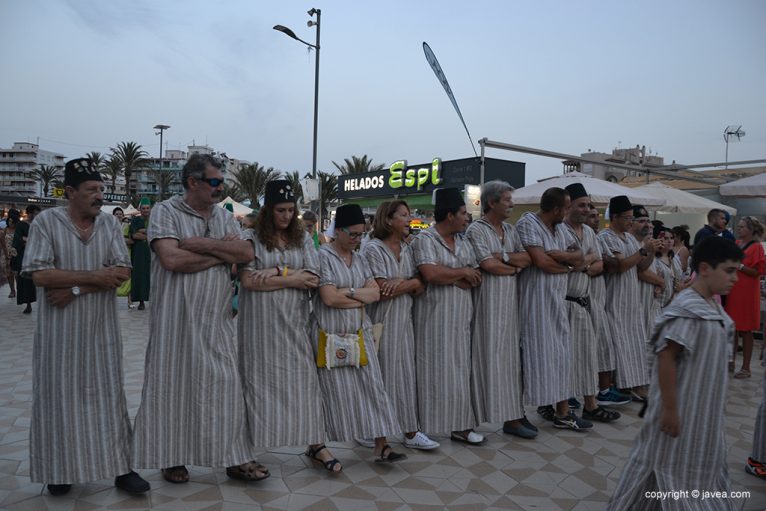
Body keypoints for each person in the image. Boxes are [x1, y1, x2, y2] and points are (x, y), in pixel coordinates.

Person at [21, 157, 150, 496]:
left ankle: (122, 469)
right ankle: (59, 469)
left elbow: (121, 272)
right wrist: (95, 276)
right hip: (58, 335)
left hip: (101, 332)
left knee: (109, 397)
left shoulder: (108, 225)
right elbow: (39, 274)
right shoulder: (46, 223)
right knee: (58, 398)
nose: (99, 195)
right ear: (71, 192)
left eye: (102, 189)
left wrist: (77, 286)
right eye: (92, 190)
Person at [132, 153, 263, 484]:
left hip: (217, 321)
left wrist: (203, 246)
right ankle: (171, 457)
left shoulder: (224, 217)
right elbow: (172, 259)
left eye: (221, 182)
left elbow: (247, 253)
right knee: (171, 389)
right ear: (193, 182)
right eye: (215, 182)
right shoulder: (165, 211)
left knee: (227, 387)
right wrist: (221, 254)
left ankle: (235, 458)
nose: (220, 189)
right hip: (173, 323)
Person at [606, 236, 743, 511]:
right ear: (704, 269)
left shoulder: (711, 306)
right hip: (681, 411)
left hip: (703, 411)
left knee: (683, 469)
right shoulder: (687, 309)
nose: (735, 279)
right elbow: (666, 357)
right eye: (729, 271)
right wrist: (669, 409)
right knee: (670, 471)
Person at [237, 180, 332, 471]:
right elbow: (249, 280)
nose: (287, 216)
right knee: (254, 387)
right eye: (281, 210)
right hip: (259, 328)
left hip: (295, 324)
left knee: (305, 384)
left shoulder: (302, 239)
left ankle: (316, 444)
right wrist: (293, 279)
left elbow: (315, 276)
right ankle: (245, 451)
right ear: (268, 210)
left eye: (291, 210)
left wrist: (279, 271)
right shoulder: (250, 238)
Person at [313, 203, 406, 463]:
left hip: (359, 332)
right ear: (338, 231)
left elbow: (375, 293)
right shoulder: (323, 256)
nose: (357, 239)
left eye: (360, 234)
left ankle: (382, 445)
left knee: (374, 386)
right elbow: (328, 298)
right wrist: (358, 295)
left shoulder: (361, 257)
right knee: (327, 391)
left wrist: (348, 292)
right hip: (330, 334)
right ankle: (317, 444)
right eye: (353, 234)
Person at [360, 200, 440, 450]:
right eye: (404, 215)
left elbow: (421, 283)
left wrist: (408, 284)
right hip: (379, 324)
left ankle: (409, 430)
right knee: (377, 378)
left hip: (404, 322)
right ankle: (371, 430)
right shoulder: (373, 249)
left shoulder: (409, 248)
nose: (409, 218)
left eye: (410, 214)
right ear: (388, 220)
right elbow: (382, 290)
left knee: (405, 376)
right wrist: (411, 283)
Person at [465, 181, 537, 439]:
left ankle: (513, 417)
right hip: (487, 307)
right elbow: (487, 265)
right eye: (507, 200)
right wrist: (511, 266)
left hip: (510, 306)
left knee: (509, 363)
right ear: (492, 202)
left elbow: (526, 259)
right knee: (483, 361)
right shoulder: (477, 229)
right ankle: (469, 420)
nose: (511, 204)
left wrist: (505, 258)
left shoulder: (509, 229)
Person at [411, 188, 484, 444]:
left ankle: (460, 427)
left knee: (460, 372)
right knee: (431, 372)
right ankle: (426, 426)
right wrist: (460, 273)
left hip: (461, 319)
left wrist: (454, 274)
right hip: (432, 320)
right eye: (463, 213)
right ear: (449, 215)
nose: (467, 217)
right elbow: (430, 274)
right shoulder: (425, 240)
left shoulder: (464, 241)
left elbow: (475, 276)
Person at [517, 187, 588, 430]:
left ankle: (563, 413)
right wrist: (568, 265)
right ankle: (516, 415)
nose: (569, 212)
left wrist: (564, 257)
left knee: (561, 356)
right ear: (556, 209)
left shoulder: (560, 228)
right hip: (535, 303)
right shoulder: (528, 223)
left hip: (557, 302)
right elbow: (541, 262)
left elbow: (580, 255)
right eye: (567, 208)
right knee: (531, 358)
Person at [562, 184, 620, 424]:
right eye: (582, 205)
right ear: (568, 206)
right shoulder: (560, 231)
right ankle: (562, 407)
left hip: (584, 303)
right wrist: (586, 262)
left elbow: (600, 266)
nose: (587, 210)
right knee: (564, 358)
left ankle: (591, 404)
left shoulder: (588, 231)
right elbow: (567, 265)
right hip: (564, 302)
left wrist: (582, 263)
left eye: (588, 205)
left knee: (587, 356)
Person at [599, 196, 660, 402]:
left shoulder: (630, 239)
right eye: (627, 218)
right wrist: (642, 250)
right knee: (619, 346)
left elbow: (641, 266)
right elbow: (621, 265)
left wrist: (650, 252)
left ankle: (634, 385)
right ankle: (620, 386)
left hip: (631, 301)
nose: (630, 222)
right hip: (614, 300)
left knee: (634, 345)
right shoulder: (606, 237)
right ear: (614, 217)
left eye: (631, 218)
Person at [585, 205, 631, 408]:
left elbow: (610, 265)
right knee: (581, 351)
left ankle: (604, 391)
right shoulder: (576, 236)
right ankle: (572, 395)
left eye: (596, 216)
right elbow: (582, 265)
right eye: (591, 216)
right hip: (581, 300)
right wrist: (593, 261)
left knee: (604, 347)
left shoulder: (595, 238)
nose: (595, 219)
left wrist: (595, 261)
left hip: (598, 300)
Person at [725, 216, 765, 379]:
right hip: (734, 290)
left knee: (746, 330)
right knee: (733, 328)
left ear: (750, 229)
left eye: (742, 227)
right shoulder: (736, 244)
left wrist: (739, 266)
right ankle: (731, 361)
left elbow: (758, 272)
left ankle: (746, 367)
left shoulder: (756, 247)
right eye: (738, 227)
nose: (738, 229)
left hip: (747, 292)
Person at [631, 205, 666, 337]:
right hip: (636, 302)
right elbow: (640, 270)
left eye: (648, 221)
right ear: (631, 223)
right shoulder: (631, 243)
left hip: (649, 303)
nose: (647, 225)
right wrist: (661, 282)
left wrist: (658, 282)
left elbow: (650, 269)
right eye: (641, 221)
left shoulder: (646, 243)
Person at [12, 205, 41, 313]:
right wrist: (26, 240)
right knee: (25, 281)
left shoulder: (39, 225)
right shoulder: (21, 225)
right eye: (36, 213)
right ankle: (28, 304)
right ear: (29, 213)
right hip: (24, 257)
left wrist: (27, 239)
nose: (37, 215)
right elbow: (18, 239)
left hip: (37, 256)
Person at [129, 198, 151, 310]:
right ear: (140, 209)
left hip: (152, 253)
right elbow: (134, 235)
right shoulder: (135, 220)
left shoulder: (154, 220)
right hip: (139, 253)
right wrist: (148, 235)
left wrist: (143, 231)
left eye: (147, 208)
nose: (146, 210)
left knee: (152, 276)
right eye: (144, 208)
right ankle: (141, 301)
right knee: (139, 276)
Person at [112, 207, 134, 309]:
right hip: (113, 255)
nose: (118, 215)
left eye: (120, 214)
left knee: (127, 277)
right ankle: (112, 302)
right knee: (113, 277)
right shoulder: (109, 227)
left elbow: (131, 240)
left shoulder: (127, 226)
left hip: (126, 253)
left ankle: (129, 301)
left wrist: (120, 240)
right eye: (116, 214)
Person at [1, 209, 19, 298]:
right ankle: (12, 291)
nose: (11, 222)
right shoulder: (5, 230)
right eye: (9, 221)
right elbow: (2, 242)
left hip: (16, 254)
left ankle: (20, 289)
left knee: (17, 273)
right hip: (5, 254)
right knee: (9, 274)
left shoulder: (19, 230)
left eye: (12, 221)